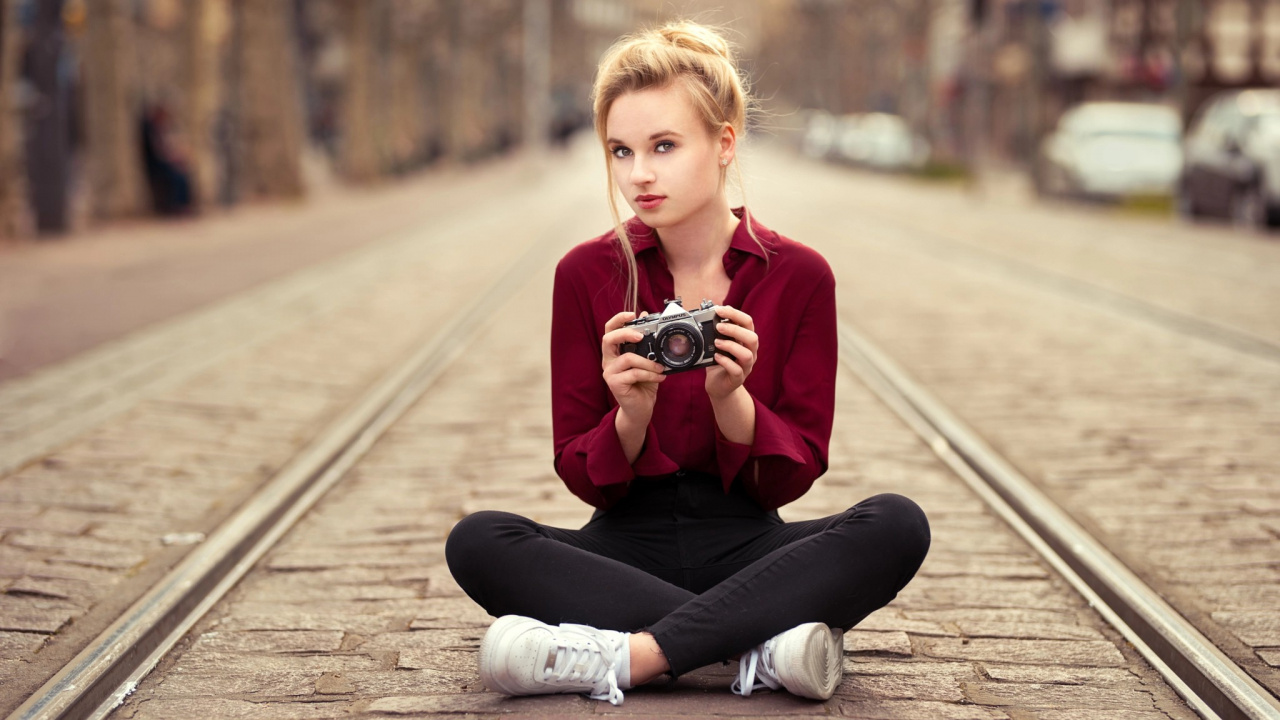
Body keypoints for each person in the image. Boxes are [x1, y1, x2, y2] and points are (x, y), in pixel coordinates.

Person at [445, 20, 930, 706]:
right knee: (479, 540)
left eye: (664, 146)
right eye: (621, 151)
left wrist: (734, 401)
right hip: (621, 547)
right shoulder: (586, 274)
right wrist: (630, 416)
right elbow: (583, 475)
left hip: (751, 545)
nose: (639, 174)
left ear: (724, 142)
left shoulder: (799, 276)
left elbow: (793, 476)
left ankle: (628, 656)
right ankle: (760, 646)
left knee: (896, 523)